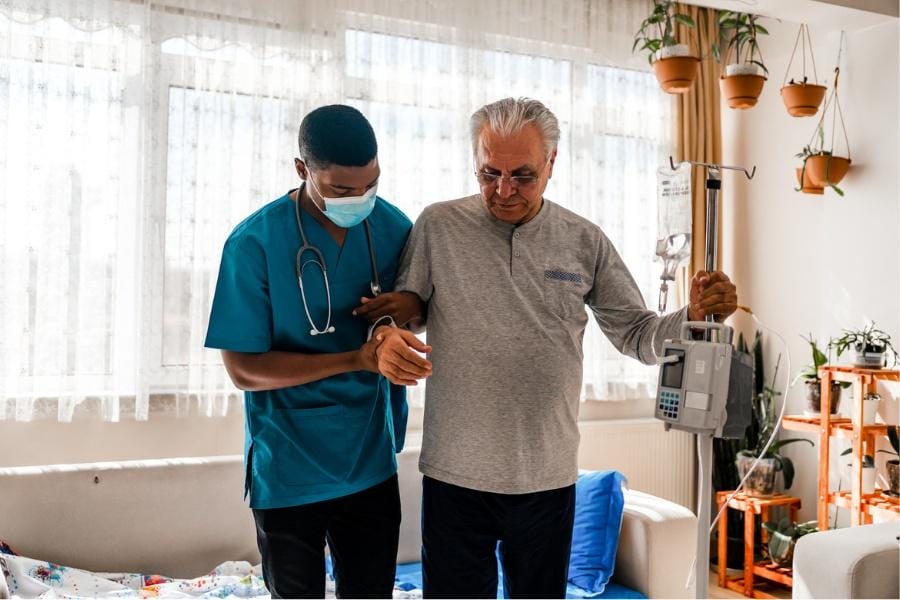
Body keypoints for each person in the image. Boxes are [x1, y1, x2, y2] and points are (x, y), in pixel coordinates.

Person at [357, 97, 738, 598]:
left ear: (552, 163)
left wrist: (694, 316)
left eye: (523, 175)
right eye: (489, 173)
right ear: (474, 161)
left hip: (547, 478)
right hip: (455, 477)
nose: (504, 190)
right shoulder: (438, 226)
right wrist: (385, 335)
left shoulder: (585, 240)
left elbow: (638, 336)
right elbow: (403, 311)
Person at [205, 104, 423, 599]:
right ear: (302, 170)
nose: (360, 199)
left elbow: (420, 310)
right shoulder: (254, 243)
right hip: (289, 465)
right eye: (343, 190)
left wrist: (401, 317)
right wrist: (355, 359)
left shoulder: (392, 228)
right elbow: (242, 368)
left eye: (371, 184)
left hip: (368, 460)